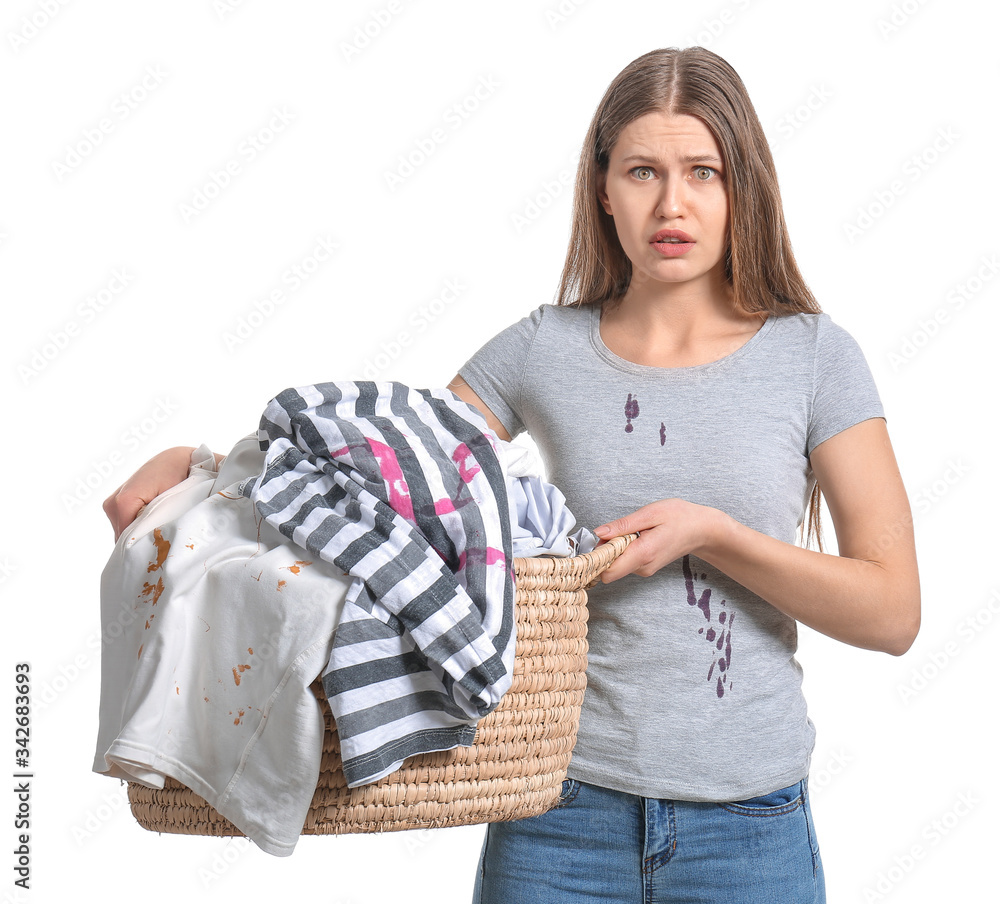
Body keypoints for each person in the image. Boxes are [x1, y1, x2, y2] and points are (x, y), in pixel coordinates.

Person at [104, 46, 920, 904]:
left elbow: (893, 611)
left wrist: (714, 535)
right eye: (643, 171)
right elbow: (382, 471)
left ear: (741, 186)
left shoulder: (815, 357)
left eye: (702, 172)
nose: (671, 203)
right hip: (558, 821)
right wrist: (205, 469)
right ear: (603, 188)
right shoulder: (544, 349)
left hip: (750, 831)